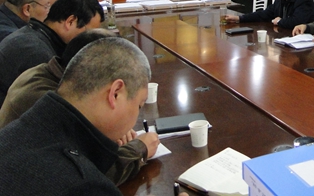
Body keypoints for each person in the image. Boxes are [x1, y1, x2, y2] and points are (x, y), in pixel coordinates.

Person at [0, 36, 190, 196]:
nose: (135, 117)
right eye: (139, 105)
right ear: (115, 93)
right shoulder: (85, 185)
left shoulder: (23, 127)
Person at [0, 0, 103, 105]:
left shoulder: (33, 34)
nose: (90, 40)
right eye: (88, 33)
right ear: (70, 21)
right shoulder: (37, 52)